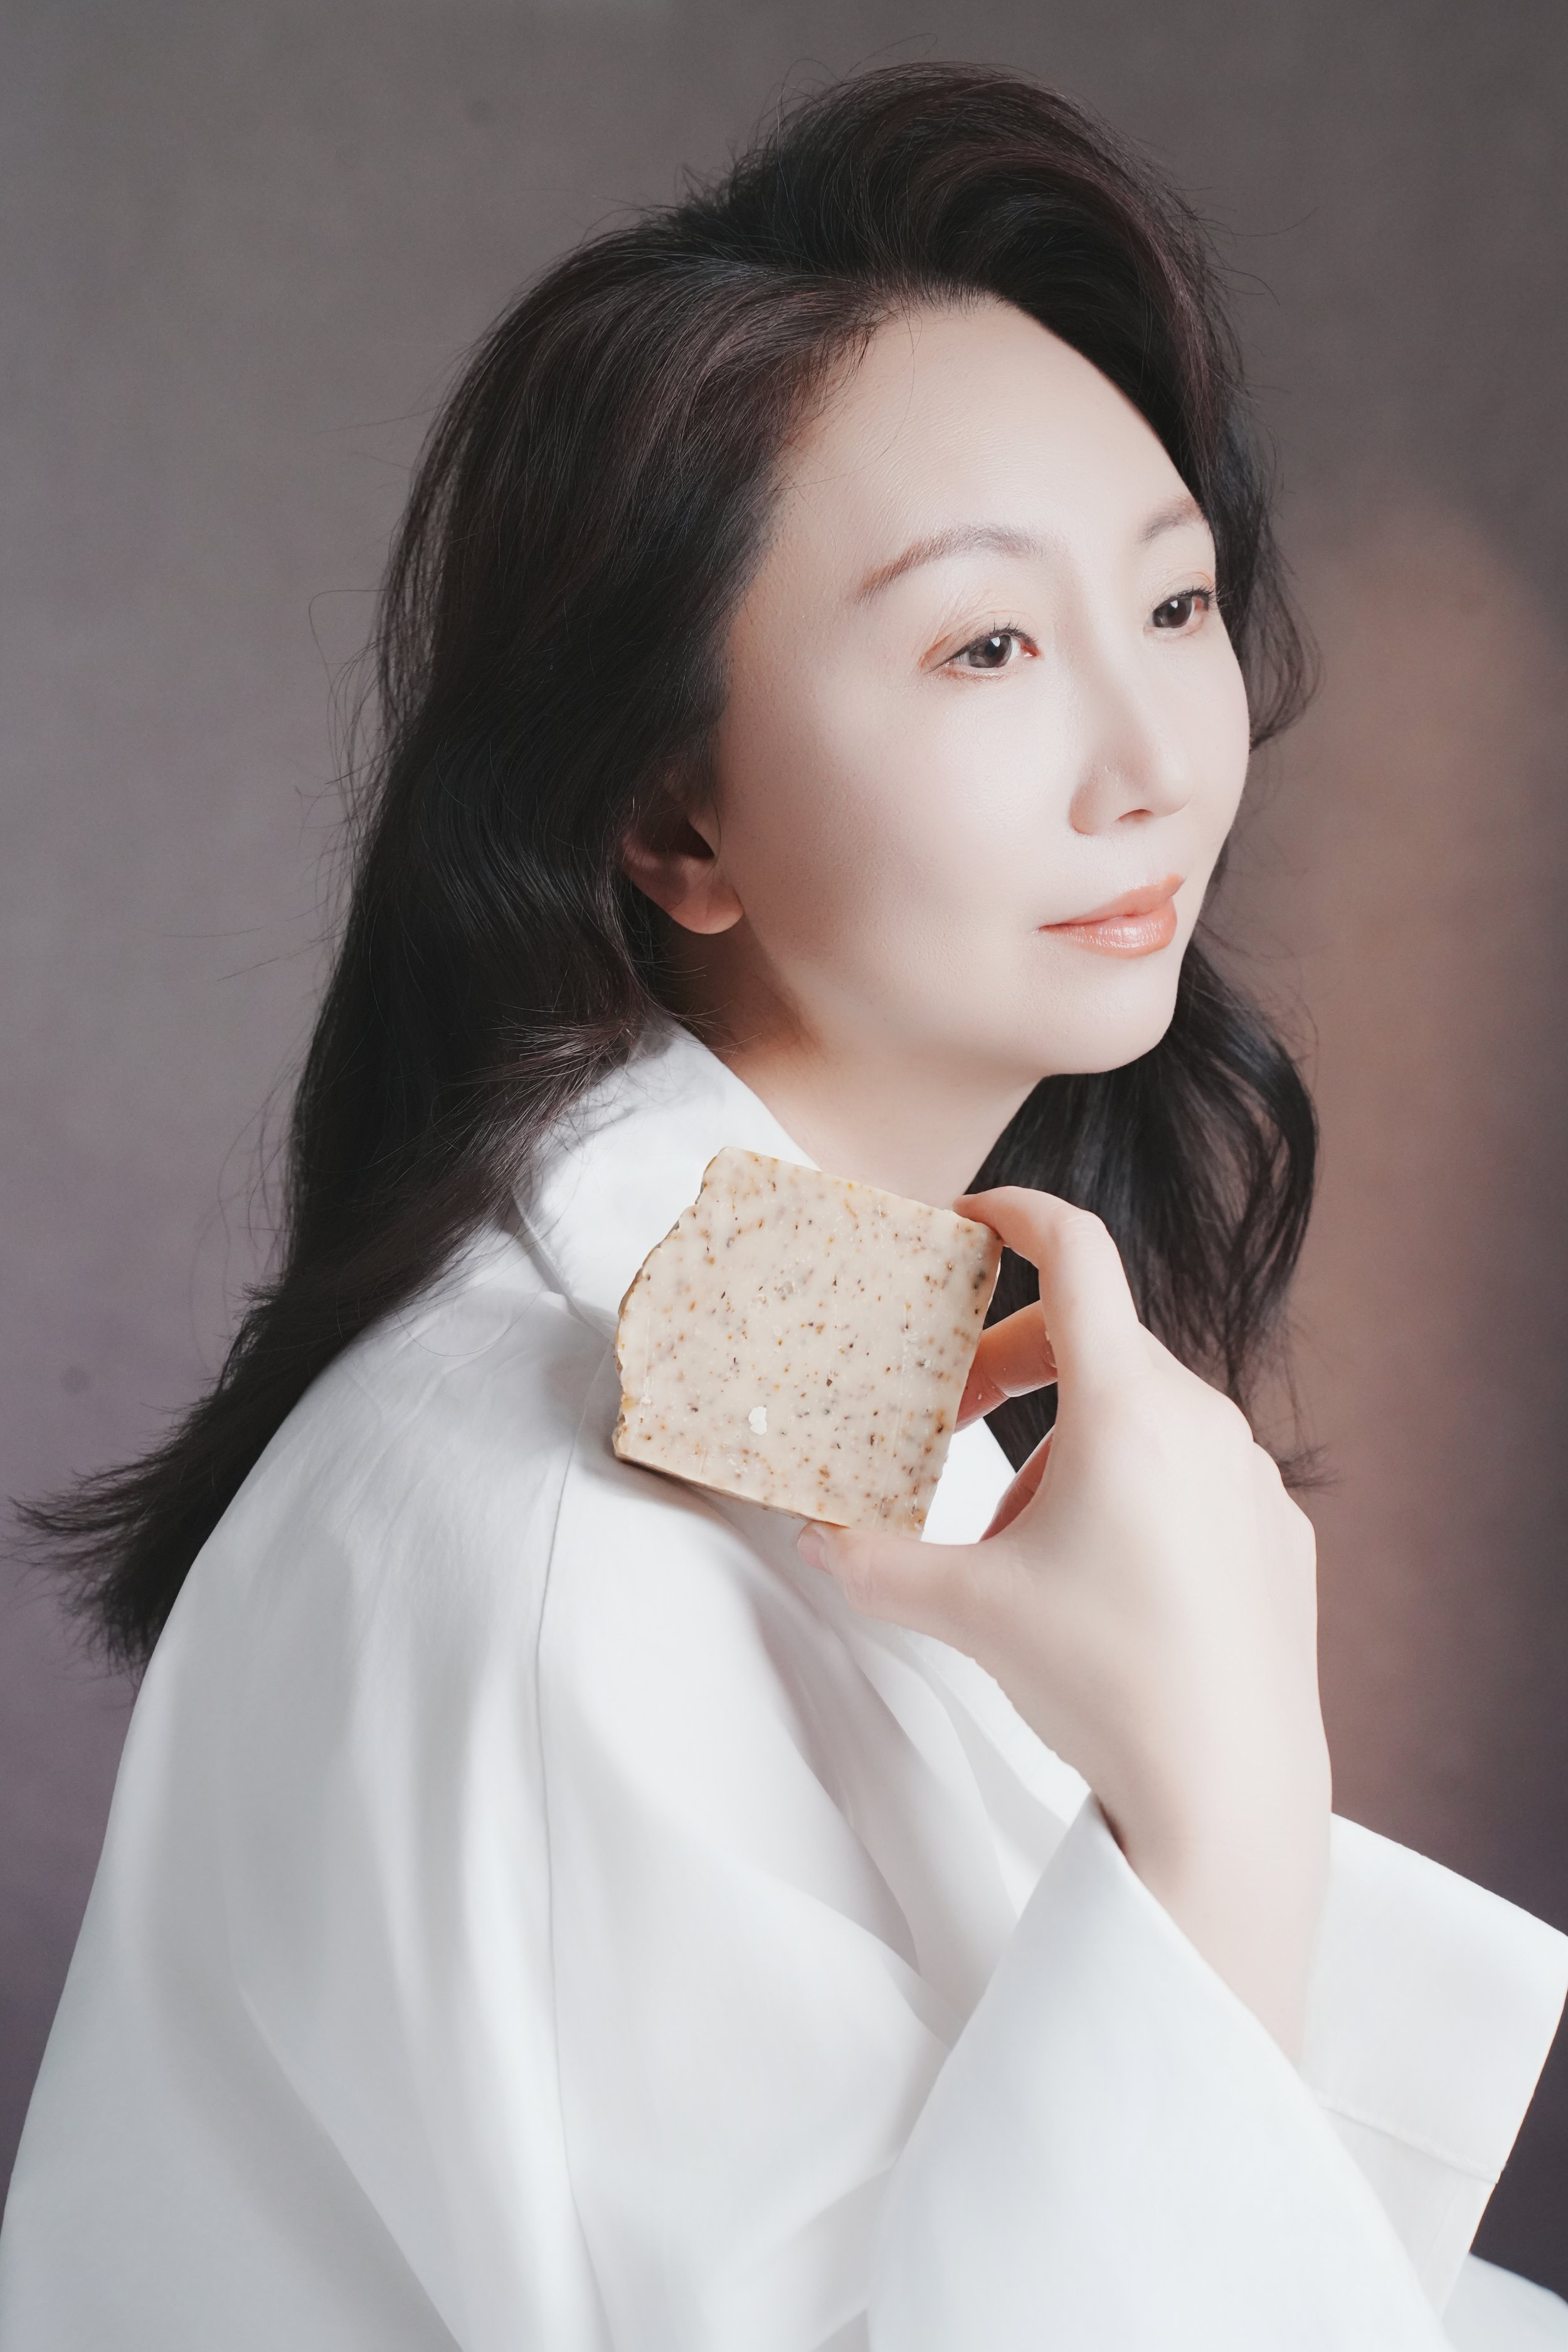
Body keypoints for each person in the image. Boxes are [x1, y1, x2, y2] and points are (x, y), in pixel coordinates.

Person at [1, 63, 1564, 2351]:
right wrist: (1219, 1783)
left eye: (1173, 603)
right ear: (673, 823)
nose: (1155, 761)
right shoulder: (540, 1515)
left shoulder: (828, 1335)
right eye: (986, 648)